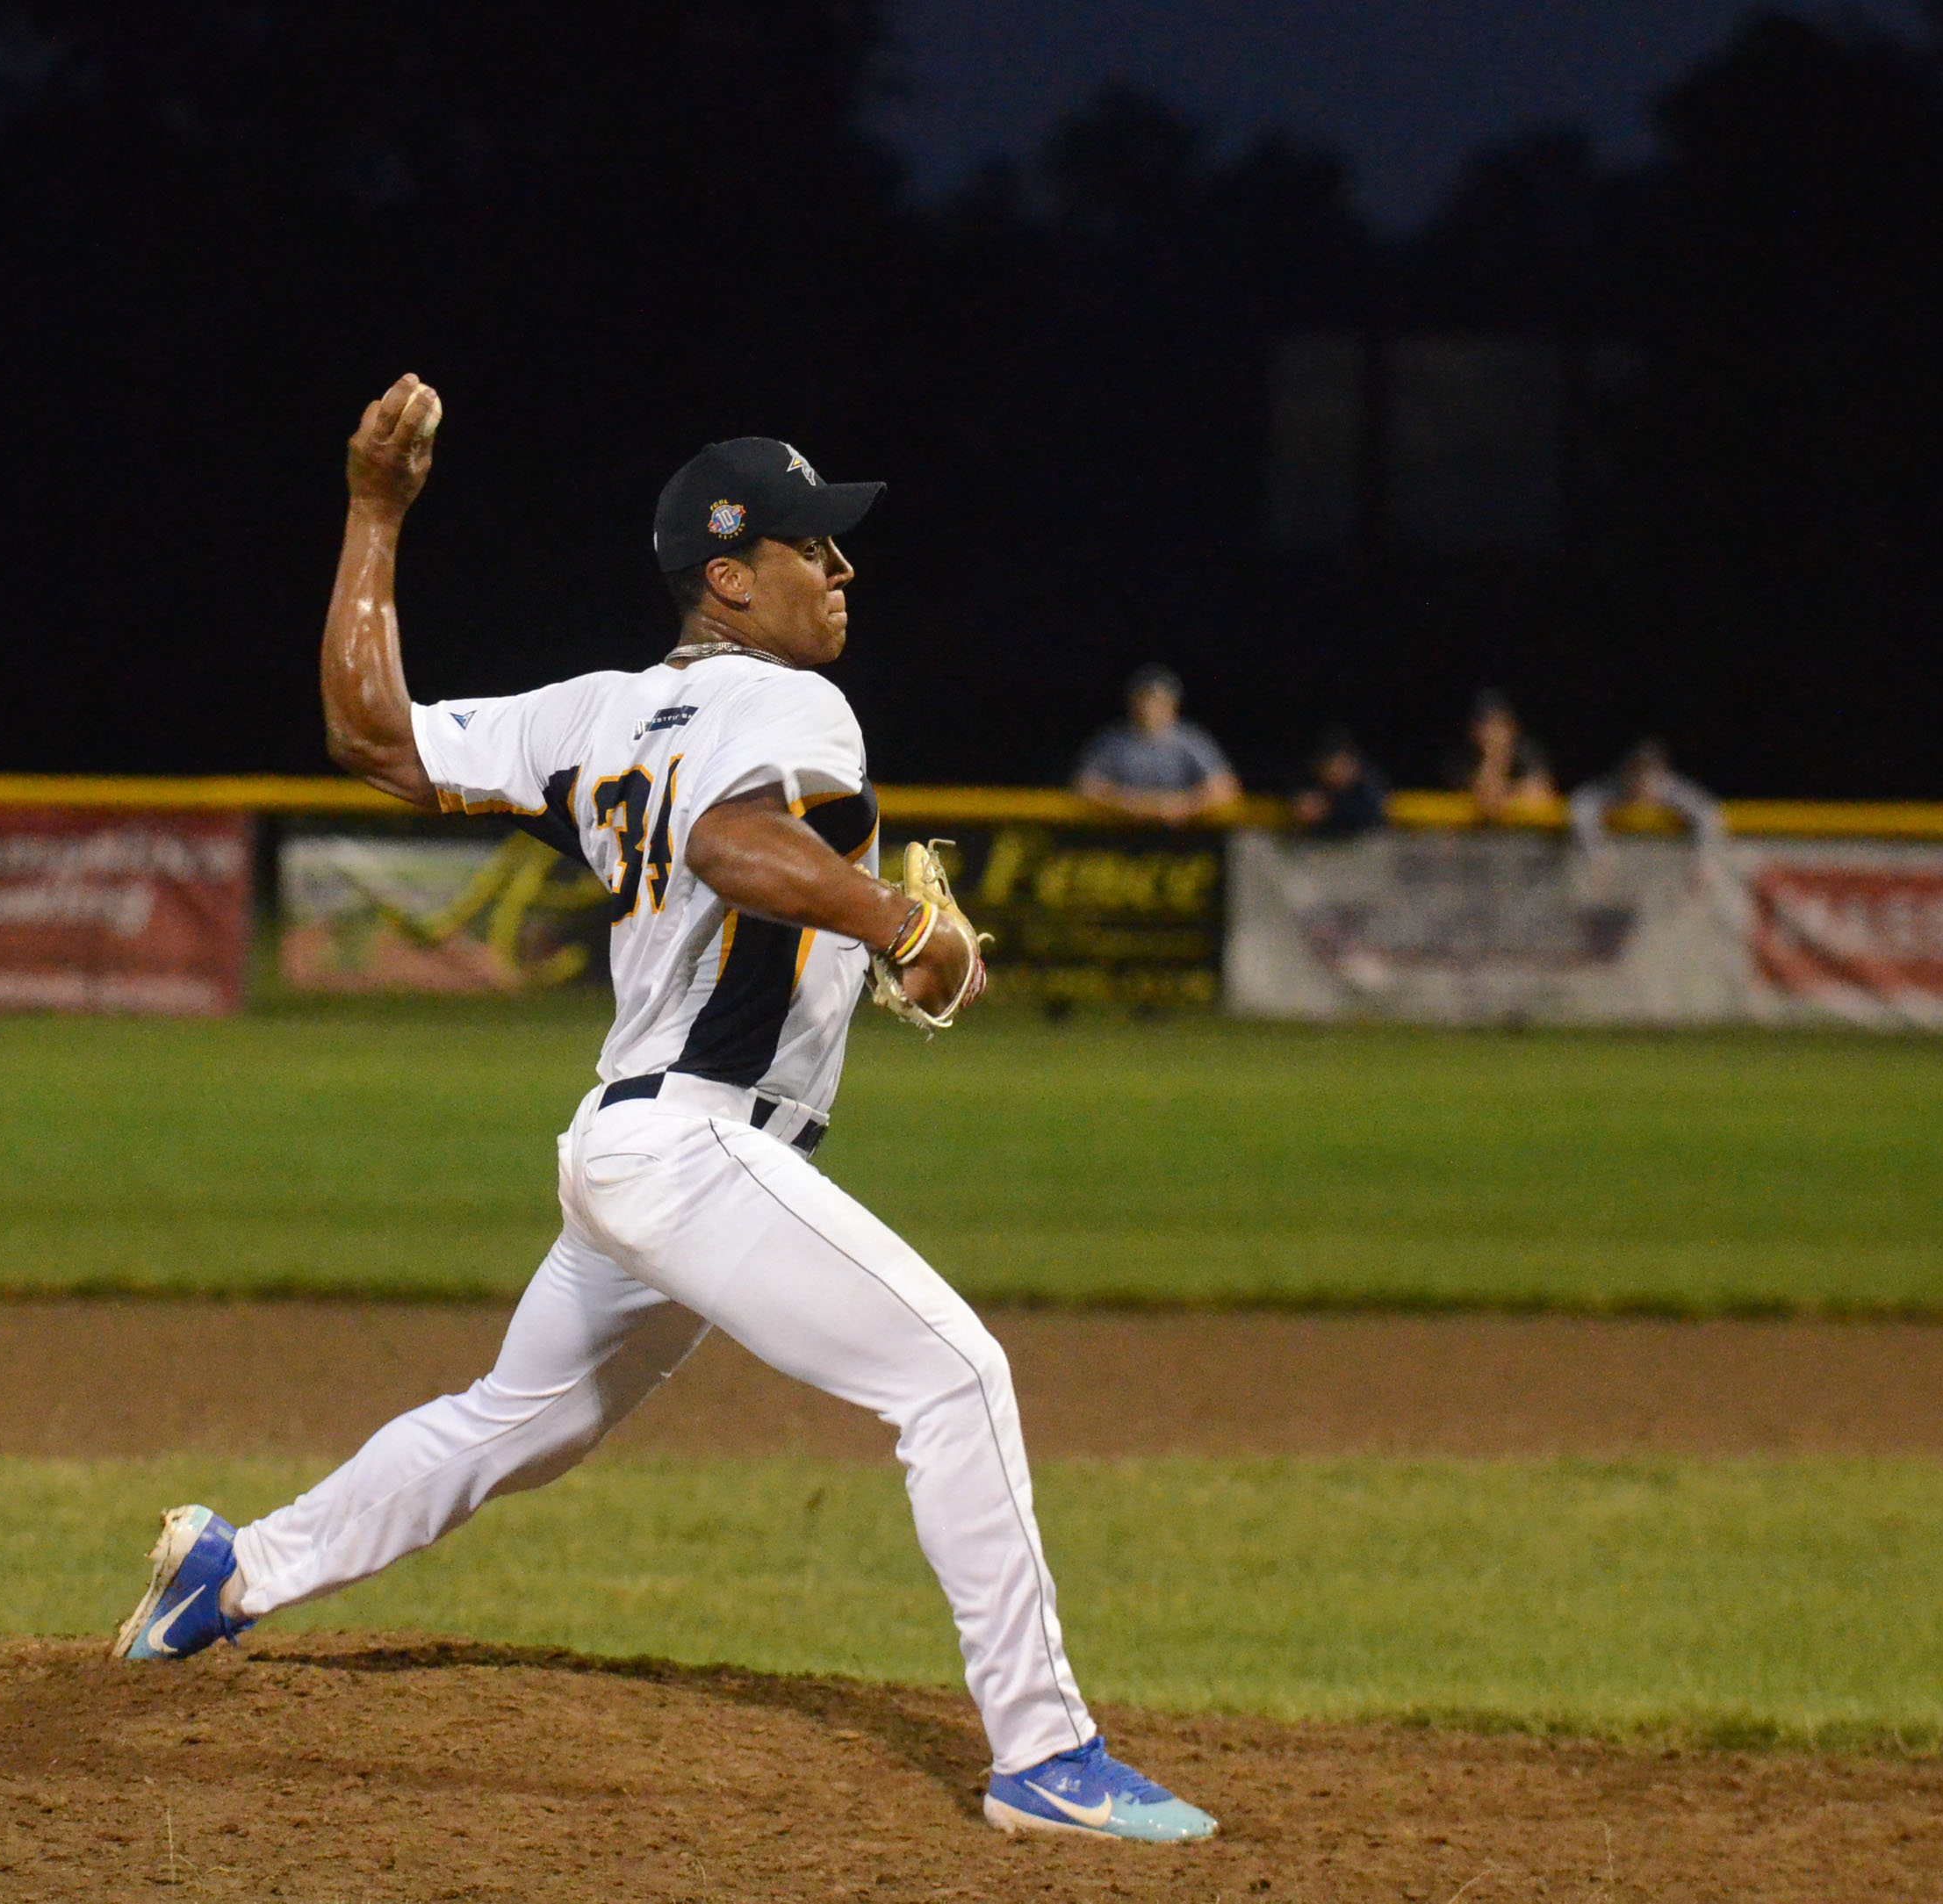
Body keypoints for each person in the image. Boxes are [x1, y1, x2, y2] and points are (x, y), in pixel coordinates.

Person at [107, 376, 1217, 1846]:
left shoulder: (593, 712)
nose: (839, 568)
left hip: (630, 1152)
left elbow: (370, 734)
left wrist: (375, 515)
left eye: (834, 544)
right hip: (697, 1145)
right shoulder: (792, 698)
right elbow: (730, 838)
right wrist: (900, 923)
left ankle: (232, 1574)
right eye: (810, 545)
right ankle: (1042, 1750)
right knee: (954, 1376)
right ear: (726, 573)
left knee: (517, 1421)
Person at [1071, 665, 1241, 825]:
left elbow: (1225, 788)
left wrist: (1183, 805)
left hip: (1183, 837)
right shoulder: (1112, 740)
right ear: (1132, 701)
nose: (1149, 707)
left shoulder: (1190, 740)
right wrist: (1131, 804)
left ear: (1174, 704)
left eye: (1159, 700)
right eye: (1144, 699)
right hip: (1118, 835)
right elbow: (1085, 785)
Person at [1570, 736, 1726, 856]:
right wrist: (1597, 850)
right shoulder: (1615, 787)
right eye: (1634, 773)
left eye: (1646, 774)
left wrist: (1703, 861)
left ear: (1661, 773)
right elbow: (1581, 804)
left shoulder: (1670, 788)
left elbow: (1708, 813)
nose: (1639, 782)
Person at [1446, 688, 1557, 823]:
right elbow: (1488, 802)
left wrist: (1506, 796)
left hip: (1521, 838)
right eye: (1489, 726)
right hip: (1474, 839)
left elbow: (1542, 796)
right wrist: (1495, 757)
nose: (1497, 734)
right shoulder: (1462, 759)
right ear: (1474, 731)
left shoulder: (1526, 751)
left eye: (1502, 724)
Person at [1288, 726, 1391, 837]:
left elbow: (1371, 817)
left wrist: (1329, 812)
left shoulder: (1369, 785)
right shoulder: (1310, 784)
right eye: (1334, 767)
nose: (1339, 772)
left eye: (1344, 765)